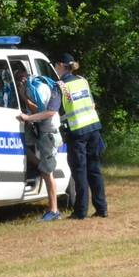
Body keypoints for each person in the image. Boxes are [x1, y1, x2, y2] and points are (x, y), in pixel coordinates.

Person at [55, 53, 107, 219]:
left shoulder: (61, 86)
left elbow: (54, 109)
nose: (55, 68)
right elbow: (92, 103)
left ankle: (80, 211)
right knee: (94, 170)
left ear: (61, 65)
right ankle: (102, 209)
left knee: (79, 172)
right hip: (93, 127)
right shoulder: (82, 80)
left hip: (77, 131)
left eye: (56, 65)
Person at [15, 69, 63, 221]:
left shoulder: (38, 88)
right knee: (42, 167)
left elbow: (41, 111)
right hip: (44, 132)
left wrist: (27, 114)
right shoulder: (37, 86)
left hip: (49, 133)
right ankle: (52, 210)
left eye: (19, 80)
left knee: (47, 173)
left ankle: (54, 211)